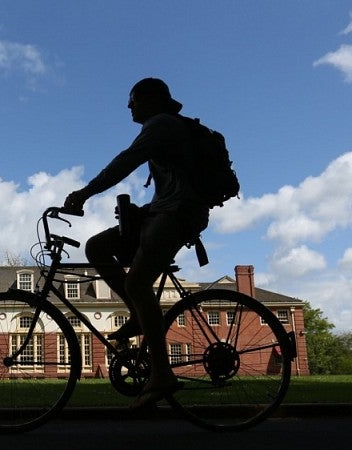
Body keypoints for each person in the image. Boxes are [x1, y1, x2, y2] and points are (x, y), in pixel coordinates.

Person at [62, 77, 209, 409]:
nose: (129, 106)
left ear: (153, 100)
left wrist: (84, 193)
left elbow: (124, 162)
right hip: (161, 211)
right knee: (97, 247)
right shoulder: (162, 125)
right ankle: (138, 315)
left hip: (179, 212)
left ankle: (162, 375)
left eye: (134, 100)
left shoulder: (161, 125)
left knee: (137, 281)